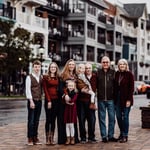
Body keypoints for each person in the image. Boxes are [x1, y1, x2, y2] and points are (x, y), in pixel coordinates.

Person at [58, 59, 79, 144]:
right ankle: (64, 139)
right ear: (67, 65)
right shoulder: (63, 75)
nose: (71, 66)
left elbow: (78, 88)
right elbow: (60, 88)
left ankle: (74, 138)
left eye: (72, 65)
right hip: (64, 102)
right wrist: (65, 95)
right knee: (65, 121)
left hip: (74, 101)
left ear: (74, 66)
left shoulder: (76, 76)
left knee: (73, 121)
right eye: (69, 64)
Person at [97, 56, 117, 143]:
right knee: (102, 118)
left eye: (107, 62)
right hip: (101, 99)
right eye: (103, 62)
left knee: (112, 118)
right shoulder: (98, 73)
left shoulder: (113, 72)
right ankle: (104, 136)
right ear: (101, 63)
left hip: (111, 99)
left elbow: (117, 86)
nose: (105, 64)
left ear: (109, 63)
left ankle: (111, 135)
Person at [114, 58, 134, 143]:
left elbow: (131, 88)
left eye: (123, 64)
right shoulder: (117, 74)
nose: (122, 65)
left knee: (125, 117)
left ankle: (125, 135)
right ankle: (121, 133)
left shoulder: (130, 74)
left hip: (126, 99)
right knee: (118, 116)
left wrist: (129, 100)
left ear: (126, 65)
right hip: (117, 99)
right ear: (118, 66)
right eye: (120, 64)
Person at [77, 63, 97, 143]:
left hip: (91, 101)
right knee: (81, 120)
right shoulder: (81, 77)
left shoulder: (95, 77)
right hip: (81, 101)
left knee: (92, 120)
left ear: (91, 69)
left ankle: (91, 137)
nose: (88, 69)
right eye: (86, 68)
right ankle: (83, 138)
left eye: (89, 68)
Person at [25, 60, 43, 146]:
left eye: (38, 67)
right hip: (32, 101)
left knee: (36, 121)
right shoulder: (29, 77)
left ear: (40, 68)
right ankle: (30, 138)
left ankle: (35, 137)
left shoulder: (41, 77)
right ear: (33, 68)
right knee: (31, 121)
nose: (37, 68)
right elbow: (28, 90)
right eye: (35, 67)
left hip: (39, 101)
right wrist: (31, 101)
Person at [42, 62, 59, 145]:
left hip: (56, 101)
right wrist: (49, 101)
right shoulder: (45, 77)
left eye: (54, 67)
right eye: (51, 67)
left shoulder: (58, 78)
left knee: (53, 120)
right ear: (49, 68)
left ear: (56, 69)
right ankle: (47, 138)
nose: (53, 68)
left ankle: (52, 138)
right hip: (48, 101)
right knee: (48, 119)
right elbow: (45, 90)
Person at [64, 80, 78, 145]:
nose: (70, 87)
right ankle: (68, 138)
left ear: (74, 86)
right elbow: (63, 99)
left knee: (72, 125)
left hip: (72, 109)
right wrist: (66, 101)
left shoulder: (75, 93)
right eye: (69, 86)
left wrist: (68, 100)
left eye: (72, 86)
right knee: (67, 124)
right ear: (67, 86)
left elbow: (74, 99)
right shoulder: (66, 93)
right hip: (67, 109)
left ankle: (72, 138)